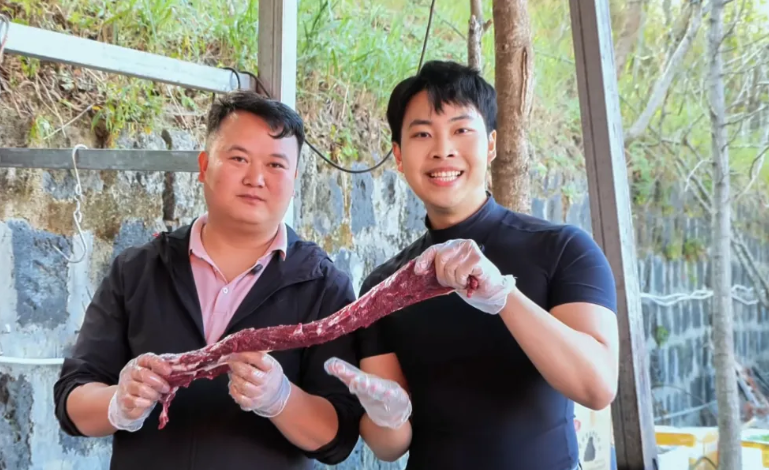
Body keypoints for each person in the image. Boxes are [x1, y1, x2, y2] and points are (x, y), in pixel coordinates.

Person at [324, 60, 620, 470]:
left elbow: (597, 386)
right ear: (399, 156)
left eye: (461, 130)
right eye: (422, 134)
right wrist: (386, 415)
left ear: (491, 144)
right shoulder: (386, 286)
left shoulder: (562, 248)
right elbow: (389, 447)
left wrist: (504, 296)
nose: (442, 149)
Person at [53, 90, 363, 470]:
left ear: (294, 180)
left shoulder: (322, 286)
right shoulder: (138, 271)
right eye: (238, 158)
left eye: (275, 165)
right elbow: (72, 400)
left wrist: (280, 398)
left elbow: (339, 436)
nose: (256, 178)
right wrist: (118, 402)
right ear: (204, 166)